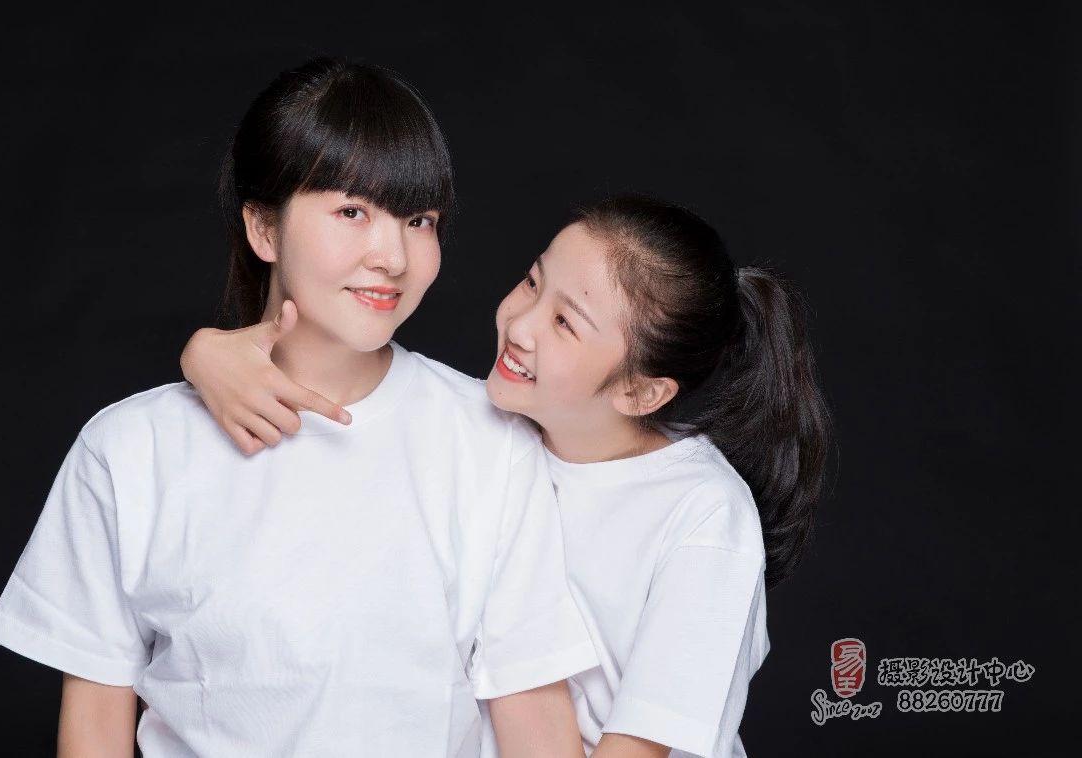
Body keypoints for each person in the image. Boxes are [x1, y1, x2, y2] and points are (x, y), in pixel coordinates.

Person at [0, 57, 598, 757]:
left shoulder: (490, 442)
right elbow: (95, 722)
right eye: (351, 212)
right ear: (264, 230)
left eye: (418, 219)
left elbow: (532, 712)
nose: (393, 257)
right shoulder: (130, 450)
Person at [181, 194, 832, 757]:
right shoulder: (491, 432)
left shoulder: (703, 516)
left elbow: (641, 744)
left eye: (564, 323)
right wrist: (203, 354)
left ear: (640, 391)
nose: (520, 324)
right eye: (531, 282)